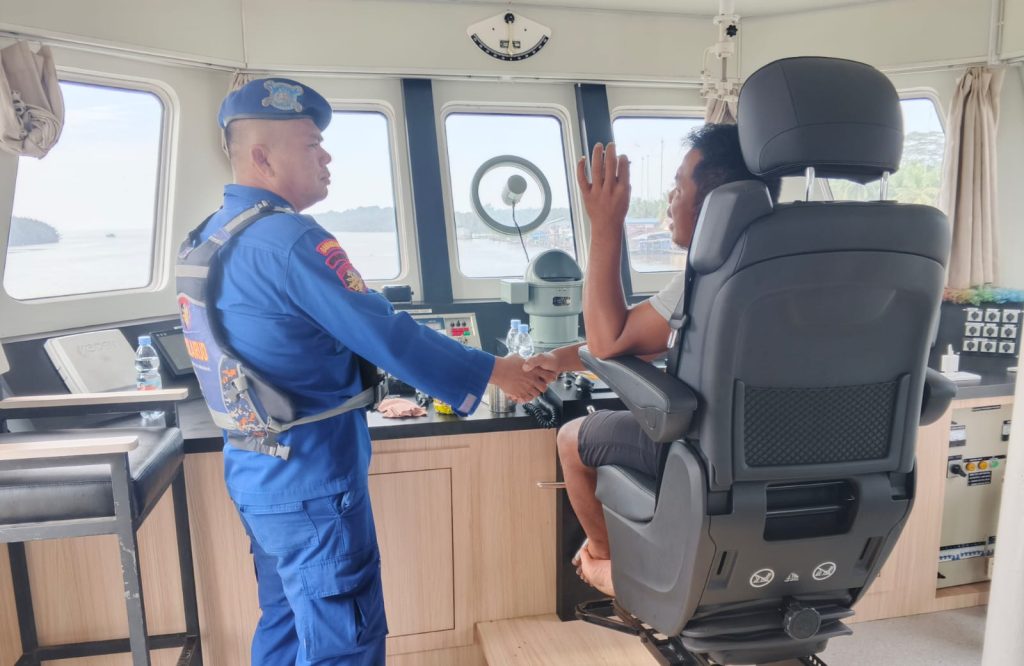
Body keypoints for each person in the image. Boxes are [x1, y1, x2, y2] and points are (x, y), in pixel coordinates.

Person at [185, 78, 556, 665]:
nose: (327, 157)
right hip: (312, 475)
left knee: (286, 620)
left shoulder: (209, 236)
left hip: (258, 471)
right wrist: (495, 370)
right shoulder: (289, 239)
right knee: (343, 640)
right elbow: (383, 332)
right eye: (312, 144)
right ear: (262, 157)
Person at [527, 124, 781, 597]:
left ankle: (606, 566)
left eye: (679, 186)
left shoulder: (710, 276)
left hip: (712, 452)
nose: (670, 197)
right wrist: (559, 359)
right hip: (805, 453)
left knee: (571, 438)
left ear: (714, 204)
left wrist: (605, 225)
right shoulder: (809, 258)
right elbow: (638, 343)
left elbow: (609, 342)